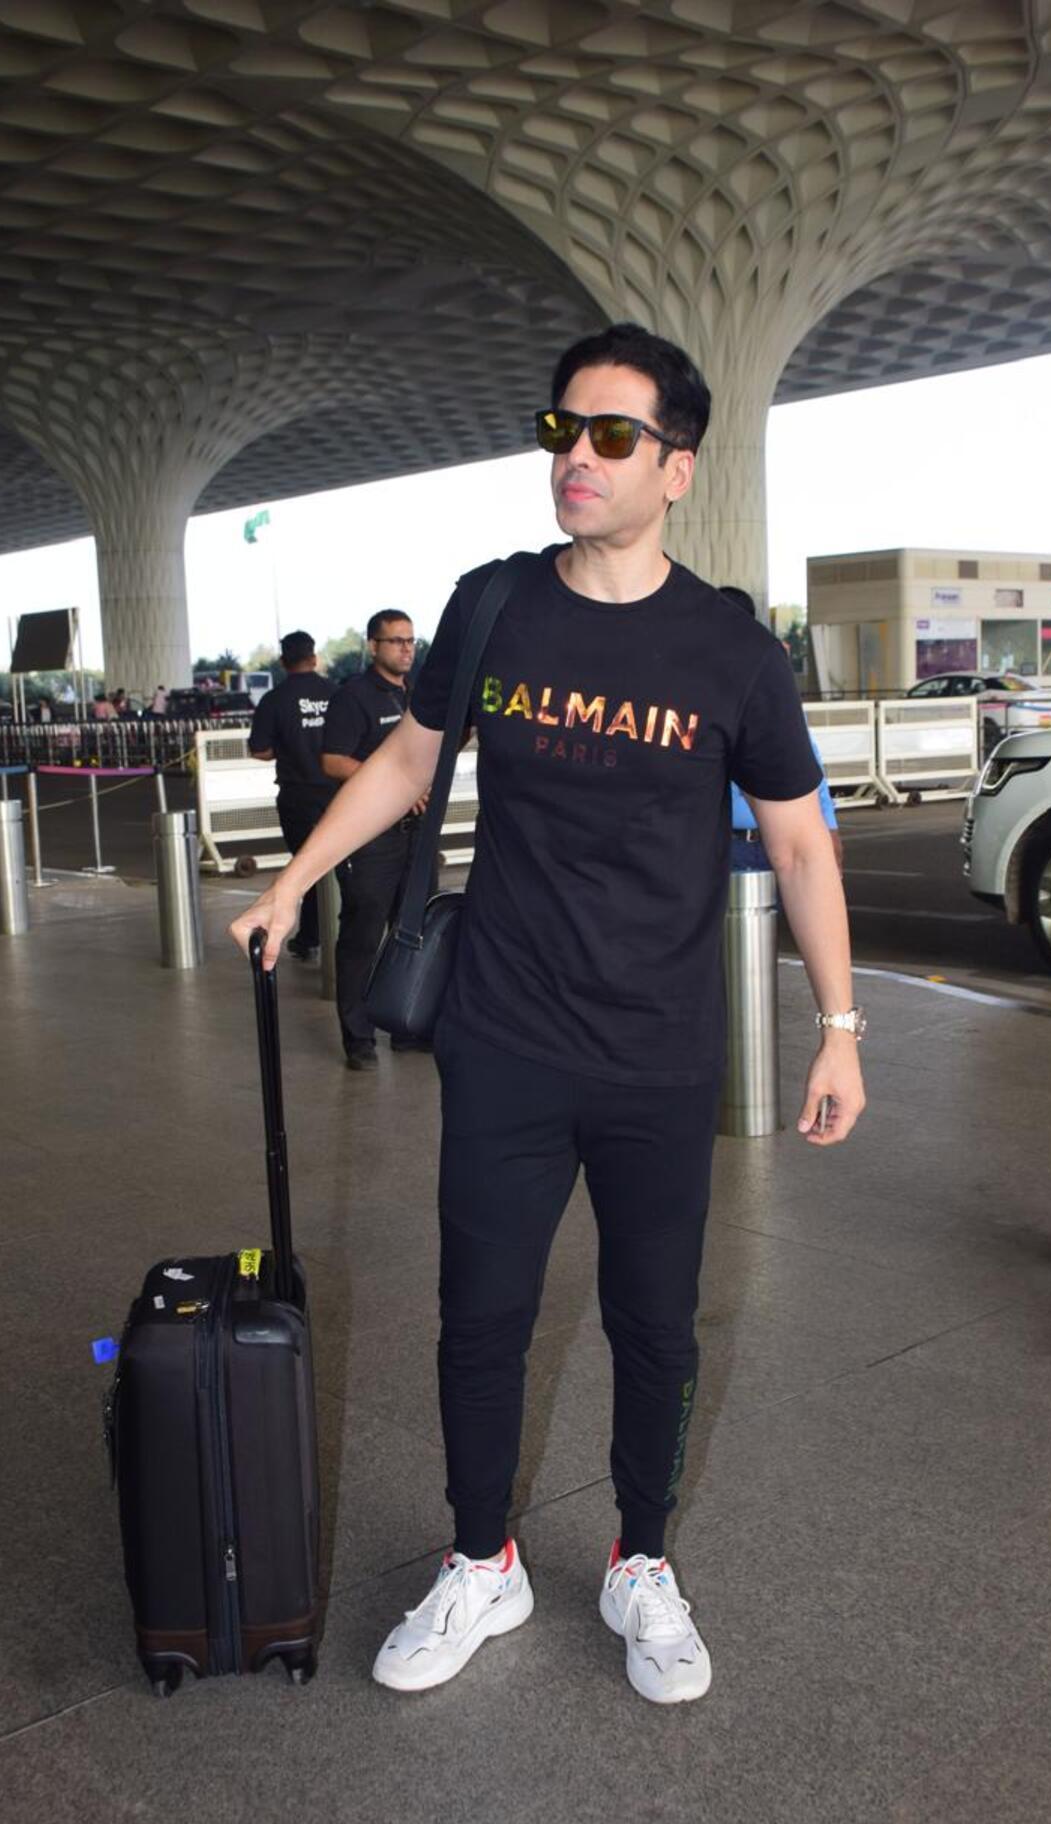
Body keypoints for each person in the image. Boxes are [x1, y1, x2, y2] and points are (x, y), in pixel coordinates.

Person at [230, 323, 865, 1706]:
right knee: (482, 1316)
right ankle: (481, 1558)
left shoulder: (729, 650)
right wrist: (293, 882)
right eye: (561, 430)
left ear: (676, 467)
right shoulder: (497, 604)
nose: (576, 457)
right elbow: (407, 758)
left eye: (612, 437)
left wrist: (839, 1025)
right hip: (505, 1030)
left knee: (656, 1322)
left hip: (657, 1048)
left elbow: (804, 843)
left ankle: (642, 1560)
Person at [320, 609, 427, 1066]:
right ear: (373, 646)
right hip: (372, 837)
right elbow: (333, 761)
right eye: (395, 641)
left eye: (410, 641)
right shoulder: (355, 697)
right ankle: (358, 1039)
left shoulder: (419, 694)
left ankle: (405, 1025)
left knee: (412, 931)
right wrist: (392, 789)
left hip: (417, 834)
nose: (405, 649)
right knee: (363, 936)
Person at [718, 586, 842, 871]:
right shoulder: (702, 685)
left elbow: (806, 759)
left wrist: (829, 825)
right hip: (723, 846)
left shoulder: (766, 679)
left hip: (772, 844)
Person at [248, 632, 335, 960]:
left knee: (307, 865)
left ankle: (311, 935)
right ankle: (335, 930)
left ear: (283, 662)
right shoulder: (336, 693)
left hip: (297, 795)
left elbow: (260, 749)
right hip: (339, 795)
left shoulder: (274, 700)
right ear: (314, 658)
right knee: (342, 865)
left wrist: (287, 748)